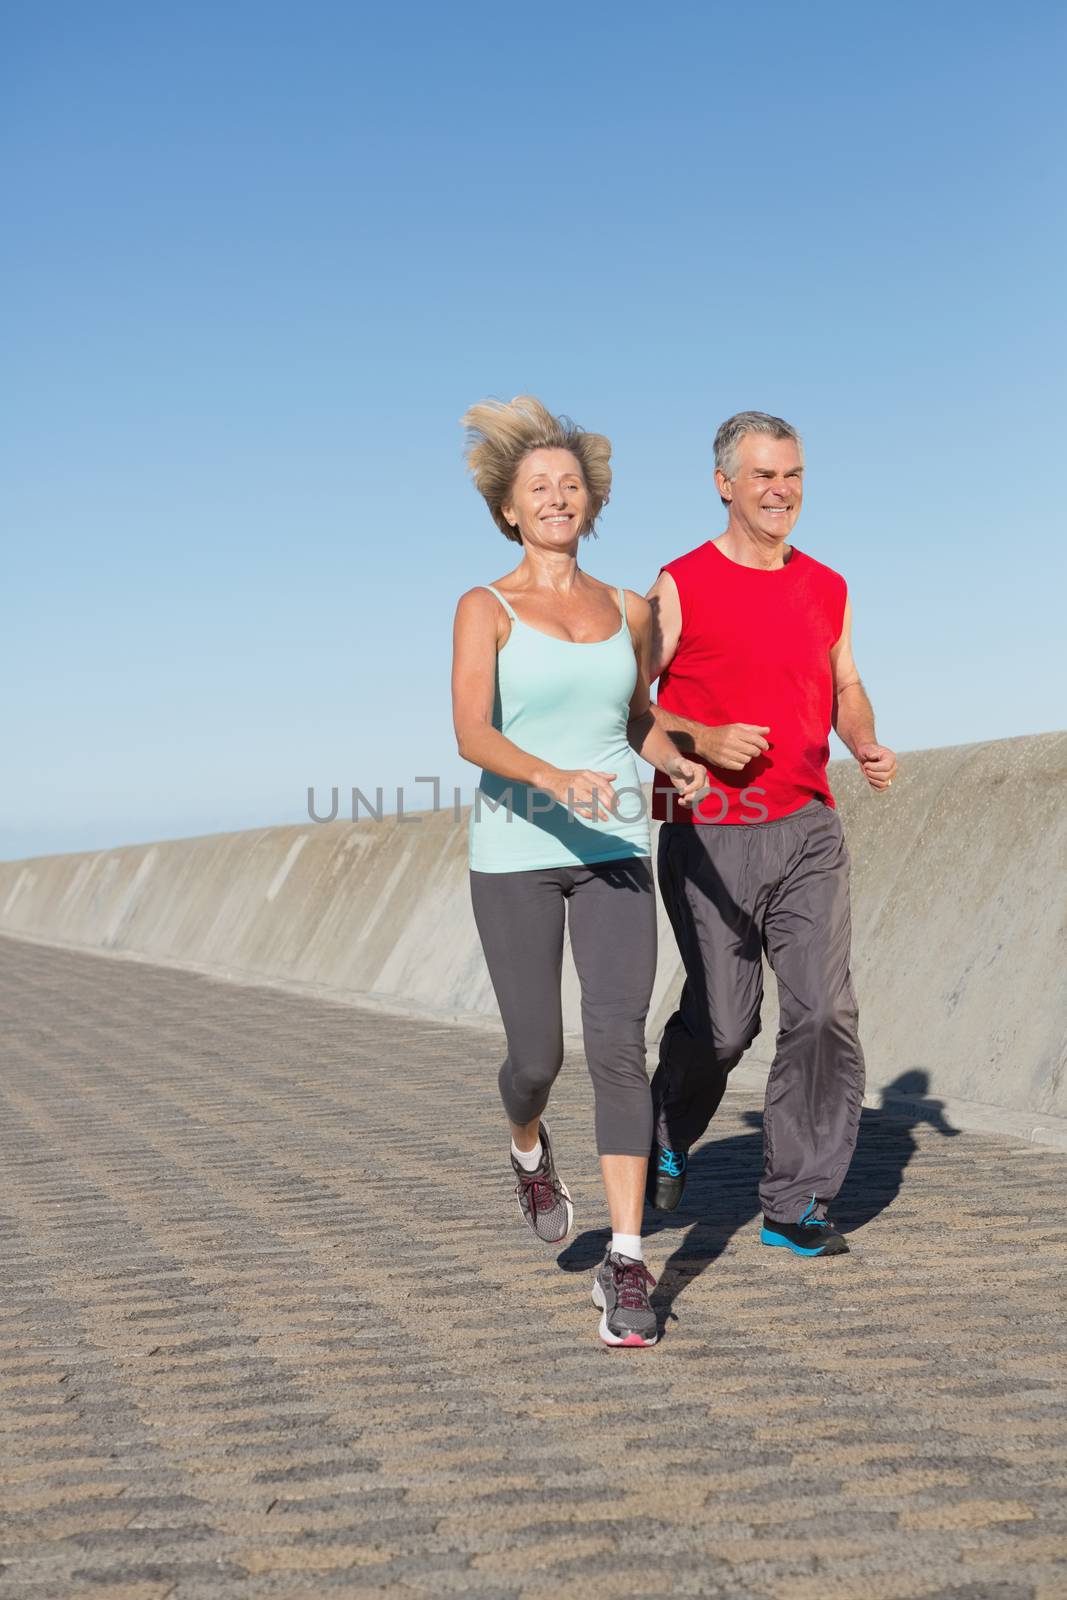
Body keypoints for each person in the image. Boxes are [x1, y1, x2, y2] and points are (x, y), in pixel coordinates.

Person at [452, 395, 706, 1345]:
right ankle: (527, 1146)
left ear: (590, 503)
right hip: (515, 853)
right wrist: (556, 777)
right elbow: (472, 731)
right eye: (538, 488)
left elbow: (635, 714)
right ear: (510, 509)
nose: (557, 498)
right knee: (536, 1060)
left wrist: (671, 757)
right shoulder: (485, 606)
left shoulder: (626, 608)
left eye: (571, 486)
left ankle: (627, 1264)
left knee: (616, 1046)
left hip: (610, 854)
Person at [645, 411, 898, 1256]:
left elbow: (847, 681)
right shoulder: (679, 583)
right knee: (723, 1027)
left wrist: (859, 736)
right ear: (724, 483)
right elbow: (627, 703)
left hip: (806, 827)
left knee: (824, 1011)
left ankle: (797, 1200)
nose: (780, 490)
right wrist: (704, 740)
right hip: (707, 831)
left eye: (791, 475)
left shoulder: (826, 585)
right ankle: (666, 1126)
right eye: (761, 475)